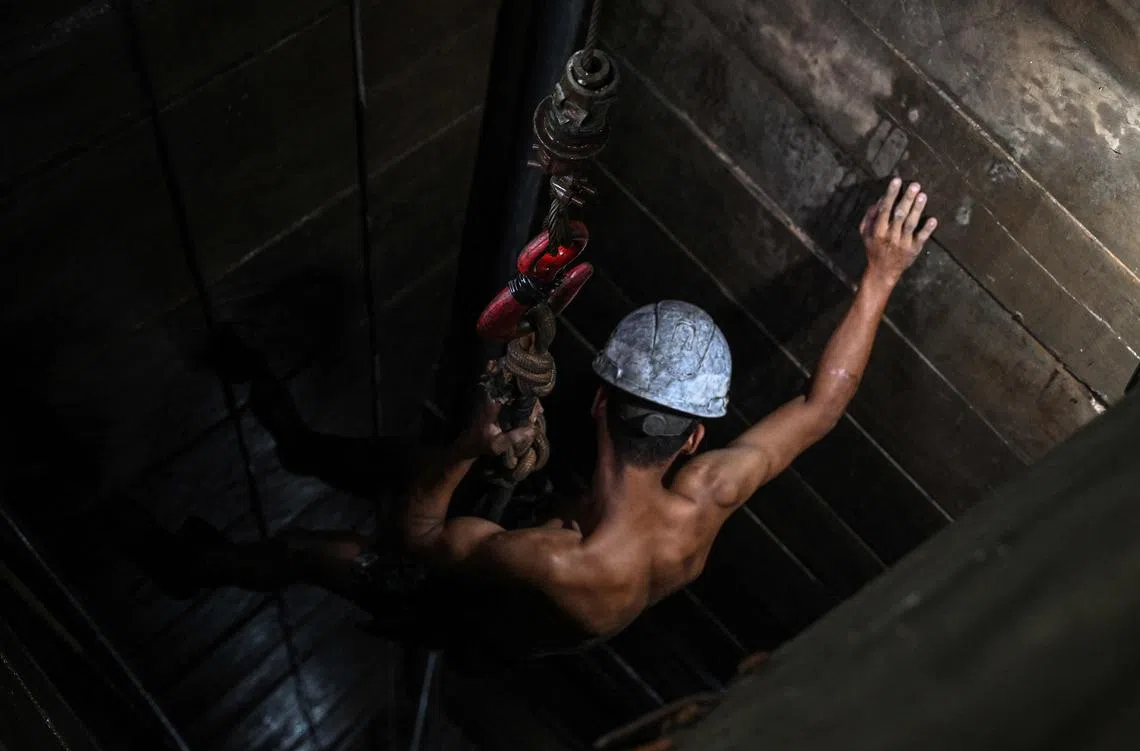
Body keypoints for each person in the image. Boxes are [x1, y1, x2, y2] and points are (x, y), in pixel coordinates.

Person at [141, 178, 936, 664]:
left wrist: (464, 449)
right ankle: (302, 451)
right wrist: (880, 275)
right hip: (557, 536)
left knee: (308, 551)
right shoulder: (711, 488)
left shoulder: (556, 561)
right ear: (695, 436)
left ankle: (199, 570)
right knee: (356, 460)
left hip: (470, 606)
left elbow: (418, 543)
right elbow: (821, 405)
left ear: (598, 401)